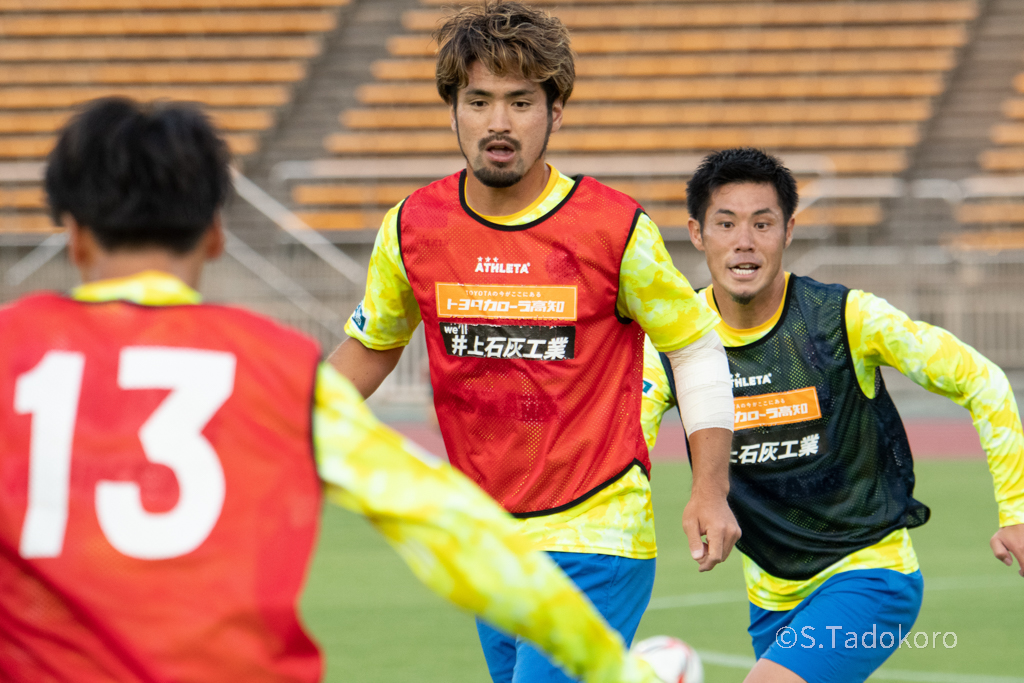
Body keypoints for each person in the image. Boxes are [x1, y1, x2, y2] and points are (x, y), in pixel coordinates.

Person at [0, 97, 668, 683]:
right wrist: (618, 668)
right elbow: (450, 527)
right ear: (214, 235)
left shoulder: (12, 353)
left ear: (74, 235)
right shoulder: (277, 372)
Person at [329, 3, 741, 681]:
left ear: (555, 112)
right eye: (479, 101)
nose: (498, 122)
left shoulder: (613, 228)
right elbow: (373, 346)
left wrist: (709, 488)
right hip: (487, 537)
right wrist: (286, 423)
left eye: (520, 102)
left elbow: (693, 348)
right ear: (453, 111)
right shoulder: (412, 227)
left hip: (597, 527)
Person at [641, 147, 1024, 683]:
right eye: (725, 224)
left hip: (870, 576)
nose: (744, 241)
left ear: (789, 231)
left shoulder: (846, 318)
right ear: (697, 234)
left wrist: (1017, 510)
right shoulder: (674, 343)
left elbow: (982, 380)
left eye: (762, 223)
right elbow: (622, 441)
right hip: (771, 596)